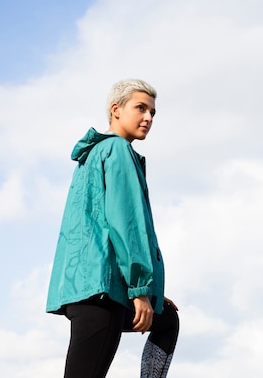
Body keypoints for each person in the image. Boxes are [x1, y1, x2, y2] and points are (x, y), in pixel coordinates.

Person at [46, 79, 179, 378]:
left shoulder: (93, 153)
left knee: (167, 318)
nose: (148, 118)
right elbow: (126, 224)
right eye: (141, 108)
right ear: (116, 110)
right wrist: (141, 289)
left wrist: (152, 290)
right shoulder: (117, 150)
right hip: (101, 294)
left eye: (153, 113)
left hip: (90, 288)